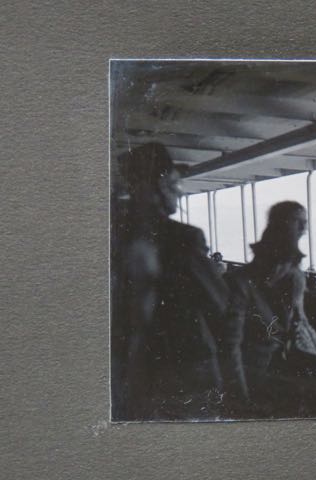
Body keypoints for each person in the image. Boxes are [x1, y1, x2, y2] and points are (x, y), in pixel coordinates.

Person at [111, 142, 229, 420]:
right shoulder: (183, 238)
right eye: (175, 182)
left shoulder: (115, 234)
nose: (179, 190)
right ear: (160, 183)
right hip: (185, 363)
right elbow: (219, 301)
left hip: (129, 363)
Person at [219, 201, 316, 417]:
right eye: (299, 222)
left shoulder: (294, 277)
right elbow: (231, 346)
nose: (304, 228)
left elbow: (299, 325)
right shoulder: (241, 284)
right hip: (256, 380)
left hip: (284, 379)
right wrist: (241, 398)